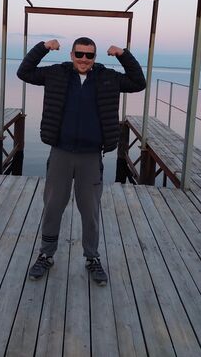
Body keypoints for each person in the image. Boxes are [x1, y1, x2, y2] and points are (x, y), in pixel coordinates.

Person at [17, 37, 146, 286]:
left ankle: (92, 257)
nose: (84, 59)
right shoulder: (56, 74)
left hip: (91, 156)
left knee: (90, 211)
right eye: (79, 54)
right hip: (61, 153)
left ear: (95, 57)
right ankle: (46, 254)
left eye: (89, 55)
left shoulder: (108, 78)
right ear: (72, 55)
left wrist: (123, 54)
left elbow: (138, 82)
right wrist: (43, 47)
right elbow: (24, 72)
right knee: (53, 207)